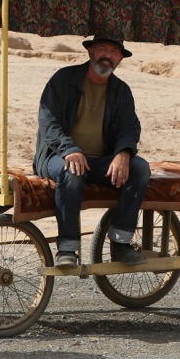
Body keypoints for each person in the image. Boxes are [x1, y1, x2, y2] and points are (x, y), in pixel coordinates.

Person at [34, 34, 151, 269]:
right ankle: (67, 248)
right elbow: (48, 123)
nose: (107, 56)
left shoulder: (121, 91)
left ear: (119, 60)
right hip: (57, 157)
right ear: (90, 52)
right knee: (72, 172)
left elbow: (130, 128)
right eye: (103, 49)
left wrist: (123, 154)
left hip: (99, 162)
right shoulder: (63, 80)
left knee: (140, 168)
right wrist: (70, 151)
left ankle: (121, 243)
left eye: (114, 52)